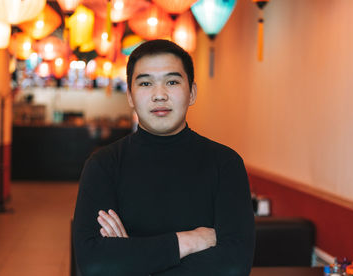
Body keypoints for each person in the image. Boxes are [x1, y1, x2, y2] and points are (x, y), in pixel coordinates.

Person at [72, 39, 255, 276]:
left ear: (192, 93)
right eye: (146, 83)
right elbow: (94, 264)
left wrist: (131, 259)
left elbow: (234, 265)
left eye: (172, 81)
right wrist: (187, 242)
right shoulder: (103, 165)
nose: (160, 95)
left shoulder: (225, 164)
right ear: (130, 96)